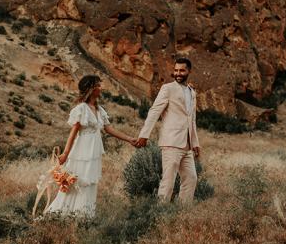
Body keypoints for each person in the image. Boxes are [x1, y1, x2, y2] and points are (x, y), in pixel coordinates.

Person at [43, 74, 139, 219]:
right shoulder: (82, 108)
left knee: (90, 182)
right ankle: (64, 215)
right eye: (98, 86)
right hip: (81, 151)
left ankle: (85, 216)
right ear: (91, 89)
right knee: (78, 182)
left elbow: (109, 129)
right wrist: (65, 153)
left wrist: (129, 139)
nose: (101, 88)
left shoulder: (99, 109)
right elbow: (73, 132)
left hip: (94, 153)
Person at [136, 57, 201, 204]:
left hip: (187, 144)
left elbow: (192, 119)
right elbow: (154, 112)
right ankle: (162, 213)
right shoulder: (167, 89)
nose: (178, 73)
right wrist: (144, 135)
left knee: (191, 179)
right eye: (176, 70)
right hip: (171, 142)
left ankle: (183, 213)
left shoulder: (192, 92)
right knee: (168, 181)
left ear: (189, 71)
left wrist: (195, 143)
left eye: (182, 70)